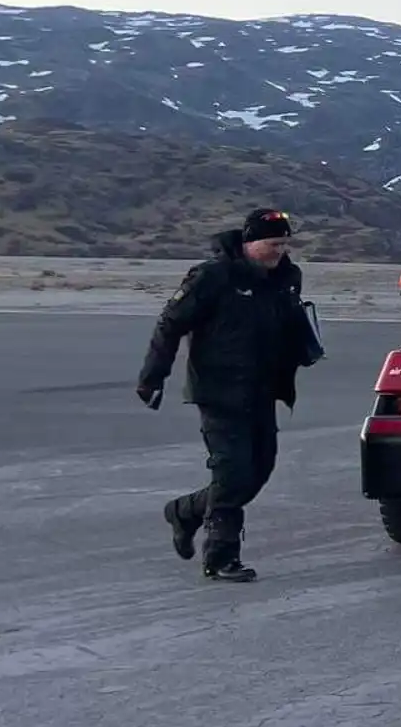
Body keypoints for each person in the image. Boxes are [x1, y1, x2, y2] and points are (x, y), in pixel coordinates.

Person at [137, 208, 322, 582]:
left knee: (259, 472)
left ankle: (186, 511)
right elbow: (170, 325)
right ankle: (221, 557)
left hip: (263, 390)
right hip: (220, 392)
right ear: (250, 242)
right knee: (233, 472)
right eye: (273, 244)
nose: (280, 252)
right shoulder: (212, 276)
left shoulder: (287, 277)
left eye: (285, 244)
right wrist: (152, 378)